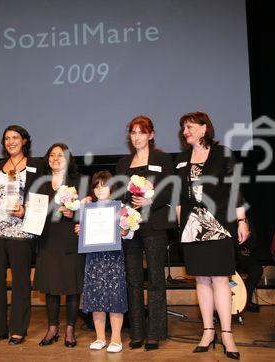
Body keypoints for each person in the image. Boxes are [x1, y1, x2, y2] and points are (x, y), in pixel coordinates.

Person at [175, 112, 249, 360]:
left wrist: (241, 220)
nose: (185, 131)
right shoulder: (183, 158)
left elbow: (235, 188)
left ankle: (226, 334)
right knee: (201, 280)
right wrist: (180, 224)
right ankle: (208, 332)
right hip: (191, 226)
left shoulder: (222, 153)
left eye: (190, 126)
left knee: (219, 279)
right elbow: (179, 196)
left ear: (204, 128)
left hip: (218, 223)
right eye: (183, 127)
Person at [116, 115, 176, 350]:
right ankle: (137, 331)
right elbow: (118, 192)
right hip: (130, 227)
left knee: (155, 278)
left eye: (142, 132)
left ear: (151, 135)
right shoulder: (123, 163)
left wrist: (148, 201)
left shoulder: (162, 158)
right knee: (132, 280)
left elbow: (170, 187)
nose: (137, 137)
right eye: (133, 132)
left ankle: (155, 332)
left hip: (155, 226)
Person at [0, 125, 44, 345]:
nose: (11, 142)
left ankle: (18, 330)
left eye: (15, 138)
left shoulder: (37, 165)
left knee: (20, 281)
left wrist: (25, 211)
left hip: (21, 229)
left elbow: (42, 196)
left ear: (25, 141)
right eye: (7, 138)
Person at [34, 143, 85, 348]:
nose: (56, 158)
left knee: (72, 287)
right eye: (52, 155)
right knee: (50, 286)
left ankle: (70, 329)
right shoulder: (40, 183)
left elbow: (90, 210)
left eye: (61, 155)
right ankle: (53, 328)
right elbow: (33, 210)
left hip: (70, 238)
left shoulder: (79, 182)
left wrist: (75, 214)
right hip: (47, 239)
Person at [76, 171, 130, 353]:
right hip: (94, 258)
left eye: (104, 185)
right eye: (96, 186)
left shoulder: (120, 207)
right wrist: (80, 230)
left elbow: (129, 232)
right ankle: (100, 337)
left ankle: (116, 338)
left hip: (113, 258)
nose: (99, 189)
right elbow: (83, 233)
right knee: (96, 297)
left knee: (115, 297)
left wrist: (125, 230)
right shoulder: (88, 208)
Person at [235, 220, 263, 312]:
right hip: (234, 259)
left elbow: (254, 245)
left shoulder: (248, 223)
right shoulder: (229, 222)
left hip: (247, 259)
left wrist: (248, 237)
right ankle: (235, 301)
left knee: (257, 269)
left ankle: (246, 300)